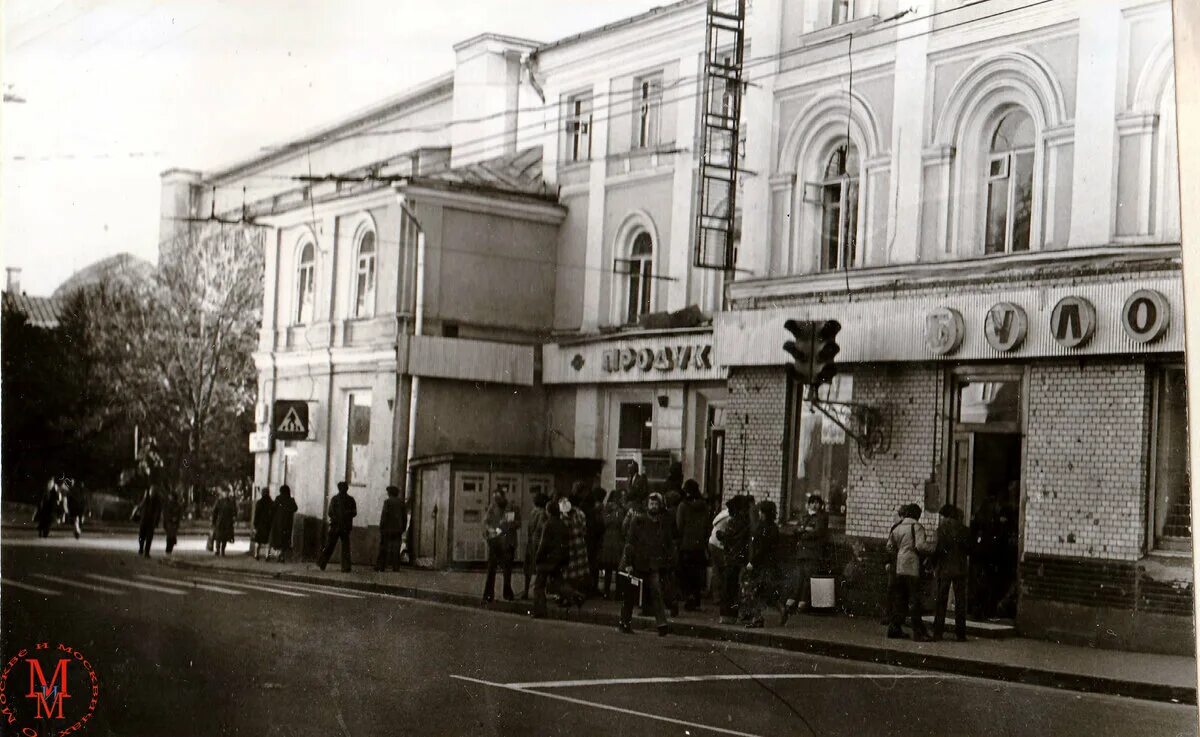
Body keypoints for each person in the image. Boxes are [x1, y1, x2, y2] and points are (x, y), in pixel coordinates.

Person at [618, 492, 675, 636]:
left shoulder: (663, 524)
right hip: (638, 563)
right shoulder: (638, 521)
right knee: (630, 594)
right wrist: (629, 563)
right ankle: (624, 622)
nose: (654, 507)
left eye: (656, 504)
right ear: (647, 506)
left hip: (653, 564)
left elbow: (667, 544)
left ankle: (662, 624)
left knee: (657, 592)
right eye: (651, 504)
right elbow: (630, 543)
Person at [886, 503, 933, 640]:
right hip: (912, 567)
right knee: (914, 600)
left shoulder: (898, 527)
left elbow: (889, 546)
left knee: (900, 599)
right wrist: (932, 549)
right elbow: (920, 546)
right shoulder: (917, 527)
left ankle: (894, 628)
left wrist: (899, 553)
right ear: (917, 514)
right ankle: (918, 633)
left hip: (899, 567)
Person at [783, 494, 830, 620]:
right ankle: (793, 601)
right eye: (813, 502)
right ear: (808, 504)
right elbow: (796, 530)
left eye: (818, 503)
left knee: (808, 577)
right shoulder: (803, 516)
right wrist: (806, 530)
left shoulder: (822, 517)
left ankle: (802, 603)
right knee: (799, 575)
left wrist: (804, 532)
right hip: (802, 551)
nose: (815, 505)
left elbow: (818, 532)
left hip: (813, 551)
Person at [932, 503, 970, 642]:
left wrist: (933, 564)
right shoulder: (965, 530)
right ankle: (960, 634)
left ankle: (938, 632)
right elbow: (969, 549)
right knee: (960, 602)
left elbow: (938, 549)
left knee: (941, 600)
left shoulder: (941, 530)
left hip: (945, 569)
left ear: (947, 516)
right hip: (960, 569)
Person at [742, 500, 783, 628]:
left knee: (755, 591)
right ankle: (782, 609)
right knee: (765, 592)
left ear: (764, 513)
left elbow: (761, 548)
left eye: (761, 511)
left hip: (761, 565)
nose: (759, 513)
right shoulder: (774, 527)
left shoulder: (762, 527)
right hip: (771, 564)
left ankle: (757, 618)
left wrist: (752, 562)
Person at [531, 497, 569, 619]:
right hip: (559, 559)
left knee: (539, 586)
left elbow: (543, 544)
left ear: (549, 511)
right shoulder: (562, 524)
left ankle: (540, 611)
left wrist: (537, 557)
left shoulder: (548, 524)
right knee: (559, 584)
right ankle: (574, 597)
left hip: (547, 560)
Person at [715, 496, 752, 624]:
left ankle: (727, 615)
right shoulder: (747, 521)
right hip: (741, 557)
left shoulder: (734, 522)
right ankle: (734, 614)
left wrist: (720, 535)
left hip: (732, 557)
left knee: (728, 587)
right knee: (736, 586)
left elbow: (728, 537)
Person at [676, 479, 711, 611]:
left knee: (686, 573)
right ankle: (696, 600)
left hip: (686, 545)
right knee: (697, 574)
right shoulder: (704, 507)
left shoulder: (683, 506)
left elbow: (679, 526)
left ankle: (689, 598)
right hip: (700, 546)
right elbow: (708, 525)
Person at [481, 488, 520, 603]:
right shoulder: (492, 507)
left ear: (504, 497)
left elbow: (516, 523)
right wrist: (489, 529)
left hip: (508, 542)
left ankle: (507, 592)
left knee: (507, 570)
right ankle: (488, 594)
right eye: (495, 498)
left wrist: (508, 525)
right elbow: (486, 521)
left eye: (498, 498)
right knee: (491, 569)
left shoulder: (511, 508)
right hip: (495, 542)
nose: (496, 501)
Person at [560, 485, 590, 603]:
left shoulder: (563, 516)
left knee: (567, 574)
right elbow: (584, 530)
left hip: (568, 547)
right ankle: (575, 595)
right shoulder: (580, 514)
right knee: (577, 574)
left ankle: (568, 597)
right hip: (579, 547)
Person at [318, 481, 357, 571]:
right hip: (345, 526)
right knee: (345, 547)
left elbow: (330, 512)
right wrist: (347, 515)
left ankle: (322, 563)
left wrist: (336, 518)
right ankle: (345, 567)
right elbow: (354, 513)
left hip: (335, 526)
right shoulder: (350, 500)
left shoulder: (335, 499)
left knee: (330, 545)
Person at [599, 489, 628, 600]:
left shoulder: (608, 508)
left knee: (608, 567)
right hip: (616, 540)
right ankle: (617, 592)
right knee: (616, 567)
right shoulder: (619, 510)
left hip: (608, 539)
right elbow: (620, 522)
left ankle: (607, 591)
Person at [522, 492, 549, 599]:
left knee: (527, 569)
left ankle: (525, 591)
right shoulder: (543, 513)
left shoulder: (533, 512)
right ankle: (539, 593)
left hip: (530, 543)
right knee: (540, 570)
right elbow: (541, 529)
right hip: (538, 544)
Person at [376, 485, 408, 572]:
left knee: (384, 547)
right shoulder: (401, 503)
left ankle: (381, 567)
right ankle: (396, 567)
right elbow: (405, 517)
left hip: (387, 529)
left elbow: (384, 516)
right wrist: (403, 528)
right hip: (398, 530)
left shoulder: (387, 502)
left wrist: (381, 527)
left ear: (389, 493)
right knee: (396, 549)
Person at [708, 501, 731, 604]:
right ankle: (718, 596)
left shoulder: (724, 513)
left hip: (713, 542)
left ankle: (714, 595)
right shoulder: (730, 517)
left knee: (716, 569)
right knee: (721, 571)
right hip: (719, 545)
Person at [269, 485, 299, 562]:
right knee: (285, 539)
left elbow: (273, 509)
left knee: (278, 539)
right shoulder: (290, 500)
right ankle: (281, 556)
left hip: (278, 523)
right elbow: (295, 508)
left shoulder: (278, 498)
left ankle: (279, 556)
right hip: (288, 523)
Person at [212, 490, 237, 557]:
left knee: (222, 537)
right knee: (221, 537)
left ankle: (220, 551)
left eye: (226, 493)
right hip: (223, 522)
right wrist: (214, 521)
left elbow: (234, 512)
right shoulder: (223, 502)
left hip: (223, 522)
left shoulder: (224, 502)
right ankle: (219, 550)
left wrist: (214, 521)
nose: (226, 494)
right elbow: (215, 512)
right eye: (225, 493)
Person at [252, 487, 275, 560]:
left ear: (262, 493)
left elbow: (256, 515)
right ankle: (267, 555)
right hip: (269, 525)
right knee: (268, 542)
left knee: (258, 540)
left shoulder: (259, 502)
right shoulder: (271, 503)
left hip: (260, 525)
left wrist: (255, 525)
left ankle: (256, 554)